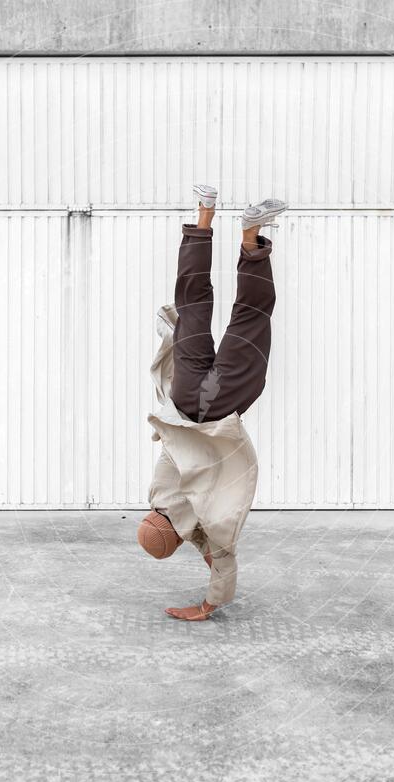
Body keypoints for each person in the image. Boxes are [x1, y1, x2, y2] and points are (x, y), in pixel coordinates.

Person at [137, 184, 287, 621]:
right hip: (184, 398)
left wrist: (207, 604)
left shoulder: (211, 523)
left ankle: (251, 235)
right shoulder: (160, 489)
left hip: (221, 405)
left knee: (250, 319)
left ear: (180, 540)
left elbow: (219, 553)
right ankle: (204, 214)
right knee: (193, 304)